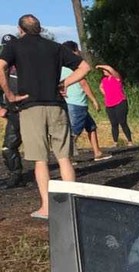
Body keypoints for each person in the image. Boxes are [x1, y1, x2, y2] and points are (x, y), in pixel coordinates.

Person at [0, 14, 90, 219]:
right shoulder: (56, 47)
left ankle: (47, 208)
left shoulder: (15, 46)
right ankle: (70, 206)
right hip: (57, 105)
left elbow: (1, 66)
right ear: (39, 29)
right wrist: (65, 83)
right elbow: (85, 67)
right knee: (64, 157)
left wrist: (10, 95)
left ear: (20, 29)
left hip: (31, 107)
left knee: (40, 159)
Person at [60, 41, 109, 161]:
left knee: (91, 127)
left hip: (71, 102)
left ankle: (97, 153)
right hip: (77, 102)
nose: (79, 52)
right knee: (75, 131)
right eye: (77, 50)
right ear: (73, 51)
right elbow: (83, 83)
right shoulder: (74, 66)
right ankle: (67, 157)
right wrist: (94, 100)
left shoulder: (60, 66)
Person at [0, 34, 25, 189]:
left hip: (33, 109)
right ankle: (16, 176)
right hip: (13, 113)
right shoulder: (3, 69)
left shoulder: (27, 65)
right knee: (8, 148)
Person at [96, 64, 133, 147]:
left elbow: (110, 69)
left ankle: (130, 141)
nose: (104, 71)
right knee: (113, 123)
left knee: (122, 122)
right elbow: (101, 87)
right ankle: (115, 142)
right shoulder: (104, 80)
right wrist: (105, 94)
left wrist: (100, 66)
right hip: (109, 104)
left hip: (120, 102)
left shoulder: (116, 77)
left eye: (105, 70)